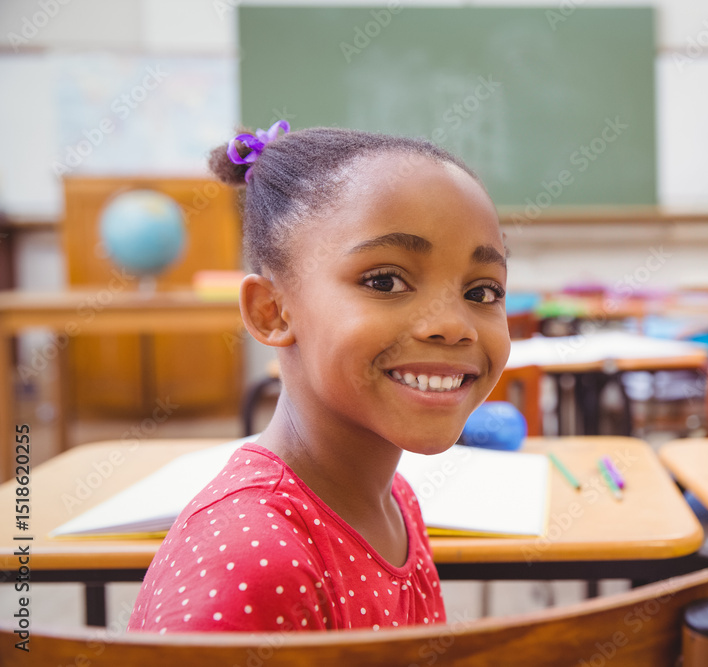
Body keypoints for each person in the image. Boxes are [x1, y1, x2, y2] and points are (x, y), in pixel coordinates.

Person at [128, 122, 511, 633]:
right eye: (386, 281)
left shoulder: (396, 499)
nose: (452, 325)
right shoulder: (252, 558)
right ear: (272, 312)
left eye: (482, 292)